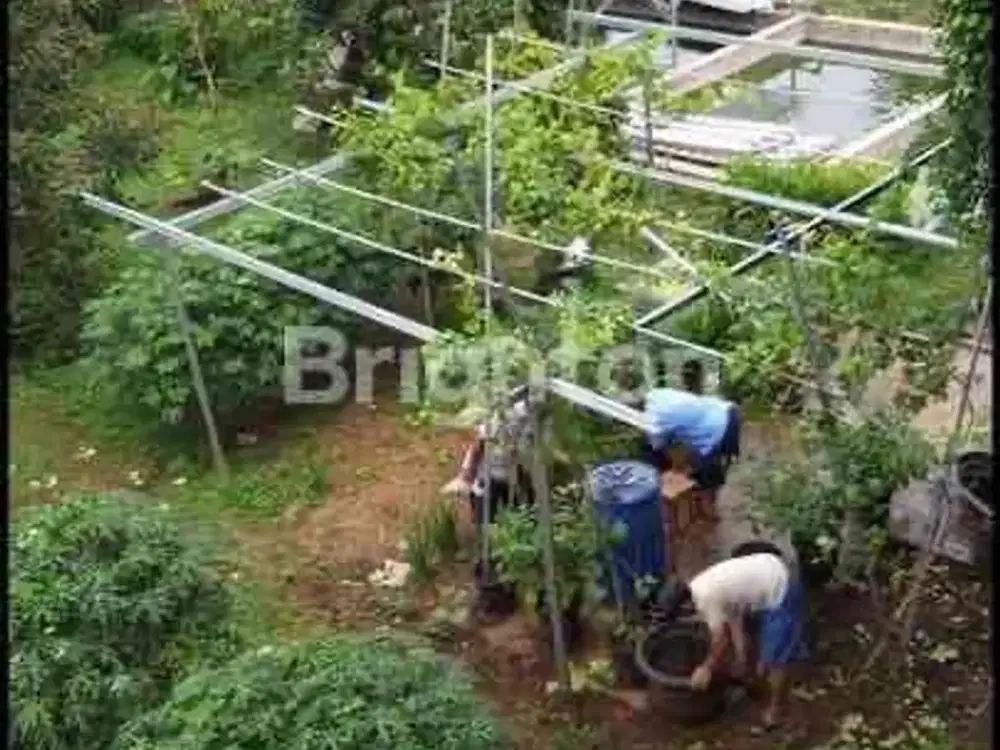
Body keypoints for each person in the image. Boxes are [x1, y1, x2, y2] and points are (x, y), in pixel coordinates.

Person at [659, 548, 809, 728]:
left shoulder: (706, 598)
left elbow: (721, 640)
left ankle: (776, 711)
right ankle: (758, 673)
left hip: (781, 585)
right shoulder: (700, 584)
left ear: (685, 606)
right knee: (763, 651)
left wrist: (706, 668)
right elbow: (734, 616)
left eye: (681, 615)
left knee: (776, 660)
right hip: (768, 566)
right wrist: (741, 656)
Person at [441, 398, 535, 613]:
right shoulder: (507, 414)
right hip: (489, 476)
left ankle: (517, 577)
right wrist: (467, 477)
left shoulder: (543, 421)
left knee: (525, 523)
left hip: (518, 475)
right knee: (487, 532)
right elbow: (478, 444)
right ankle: (490, 589)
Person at [640, 360, 740, 523]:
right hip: (726, 409)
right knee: (718, 462)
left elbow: (659, 446)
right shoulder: (656, 393)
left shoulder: (654, 420)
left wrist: (673, 469)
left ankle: (708, 507)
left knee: (710, 469)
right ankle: (707, 495)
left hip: (718, 429)